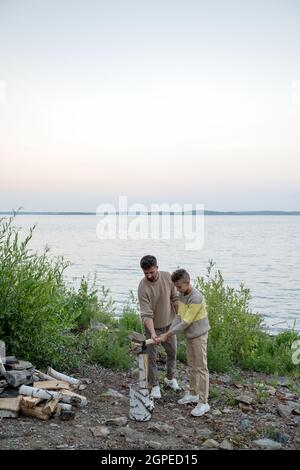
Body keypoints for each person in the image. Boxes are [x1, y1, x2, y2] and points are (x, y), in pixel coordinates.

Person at [156, 268, 210, 416]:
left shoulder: (196, 298)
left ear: (187, 282)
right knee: (192, 365)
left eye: (179, 286)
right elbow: (179, 316)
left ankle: (203, 402)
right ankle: (193, 393)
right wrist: (168, 333)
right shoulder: (182, 294)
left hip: (199, 335)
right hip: (190, 336)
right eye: (176, 287)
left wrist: (167, 334)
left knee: (201, 367)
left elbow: (186, 321)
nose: (177, 290)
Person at [138, 255, 181, 398]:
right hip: (152, 327)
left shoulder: (167, 277)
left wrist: (180, 318)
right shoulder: (143, 287)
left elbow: (175, 298)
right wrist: (152, 333)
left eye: (152, 272)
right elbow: (146, 314)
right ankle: (155, 386)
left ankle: (170, 378)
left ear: (157, 267)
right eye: (146, 273)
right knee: (151, 357)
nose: (149, 275)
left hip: (169, 324)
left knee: (172, 352)